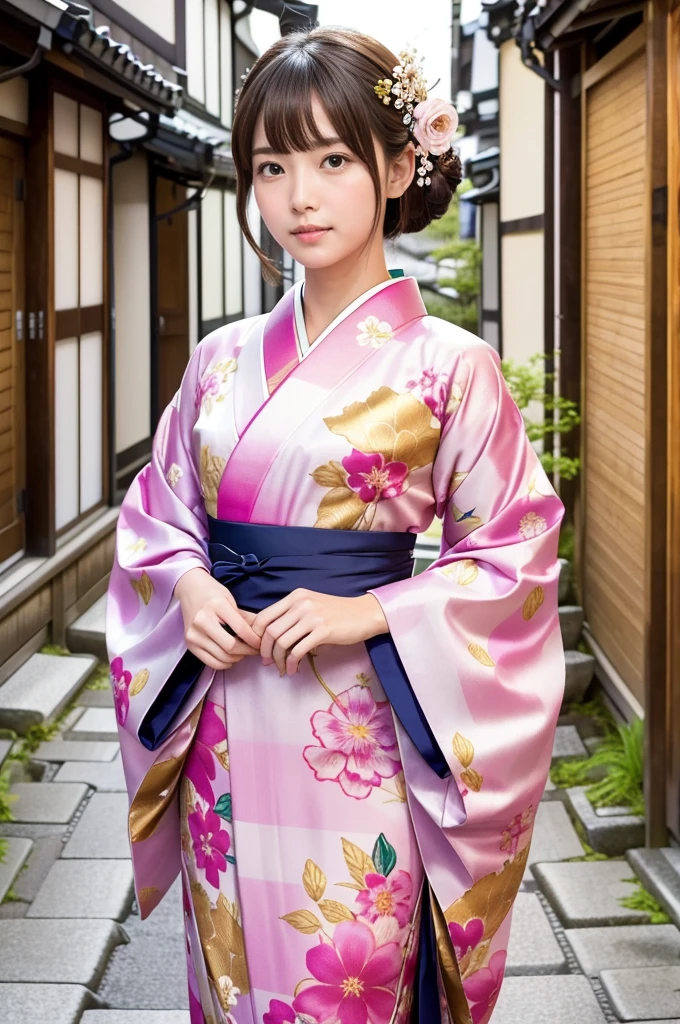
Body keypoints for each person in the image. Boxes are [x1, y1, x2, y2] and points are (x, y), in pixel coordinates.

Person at [106, 25, 565, 1024]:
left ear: (399, 165)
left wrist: (375, 611)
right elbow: (160, 511)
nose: (297, 197)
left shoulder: (450, 366)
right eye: (270, 166)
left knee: (343, 969)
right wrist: (184, 584)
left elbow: (514, 555)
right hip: (223, 718)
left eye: (331, 160)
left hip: (356, 731)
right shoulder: (221, 359)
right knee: (232, 974)